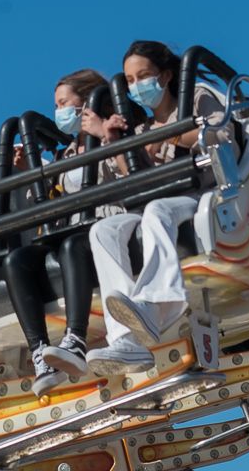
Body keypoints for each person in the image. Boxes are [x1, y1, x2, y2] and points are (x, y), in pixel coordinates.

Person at [85, 41, 229, 374]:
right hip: (157, 196)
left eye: (143, 77)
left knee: (157, 213)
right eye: (130, 81)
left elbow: (218, 132)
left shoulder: (196, 96)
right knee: (103, 230)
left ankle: (153, 307)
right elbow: (130, 176)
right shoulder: (142, 130)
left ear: (164, 75)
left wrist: (170, 136)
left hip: (203, 194)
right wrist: (113, 140)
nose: (137, 87)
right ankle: (125, 338)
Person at [1, 69, 121, 397]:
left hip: (106, 227)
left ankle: (75, 340)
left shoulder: (112, 130)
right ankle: (41, 351)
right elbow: (55, 197)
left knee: (72, 247)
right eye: (56, 106)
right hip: (71, 228)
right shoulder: (67, 154)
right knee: (17, 260)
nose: (59, 112)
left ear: (86, 102)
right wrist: (31, 170)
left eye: (64, 103)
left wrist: (106, 138)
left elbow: (128, 171)